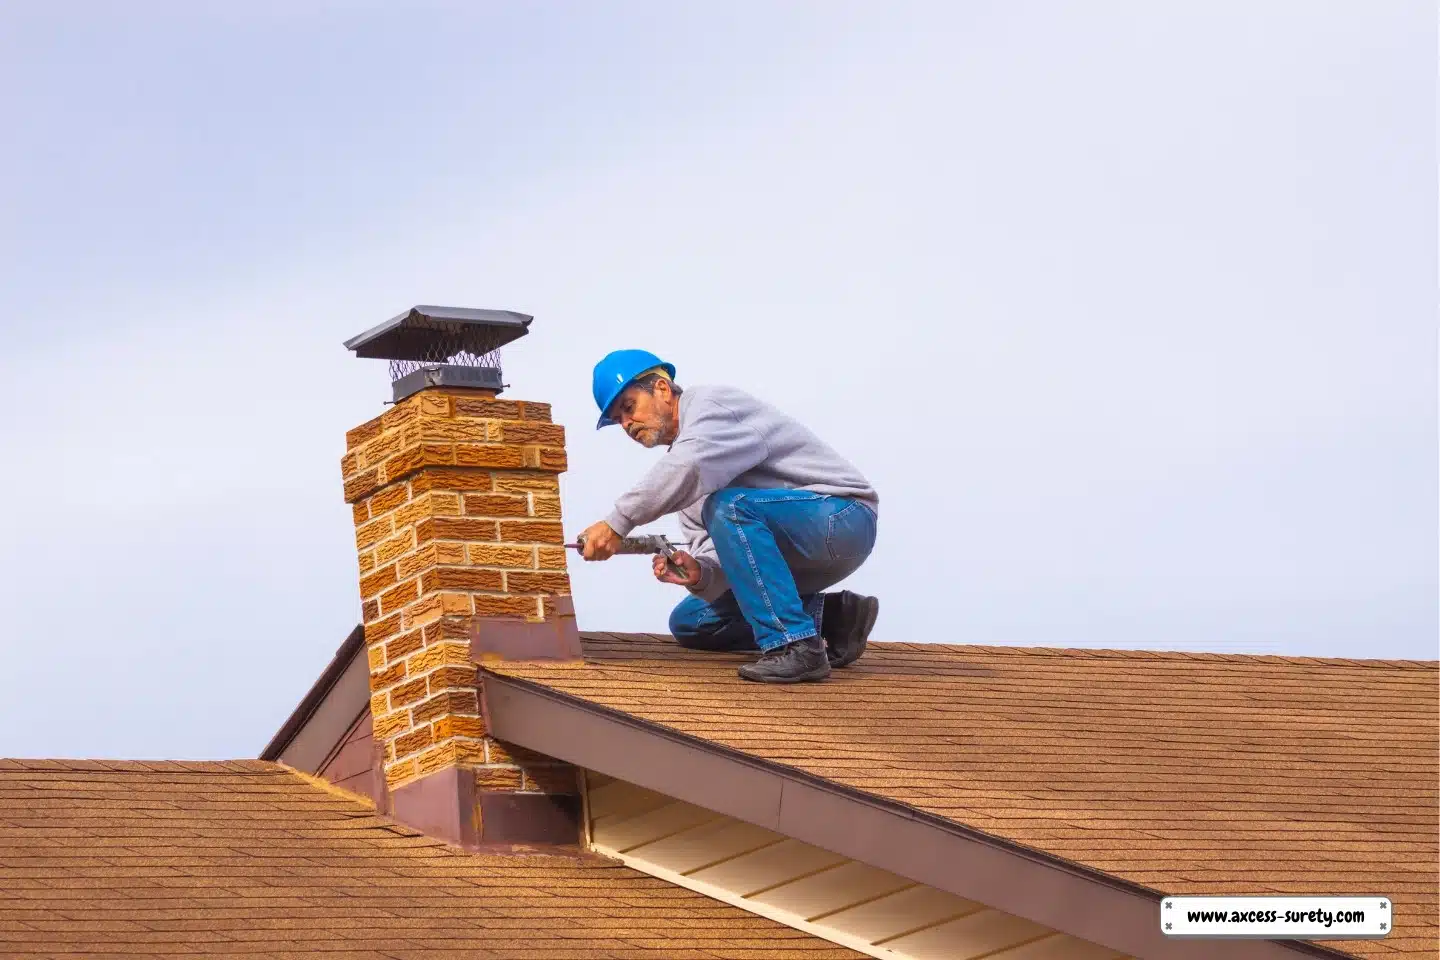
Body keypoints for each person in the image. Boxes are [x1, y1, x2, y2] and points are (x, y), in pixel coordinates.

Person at [575, 349, 880, 684]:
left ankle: (796, 646)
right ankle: (834, 617)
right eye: (618, 419)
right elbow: (724, 557)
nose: (626, 423)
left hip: (843, 518)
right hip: (795, 555)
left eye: (628, 407)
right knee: (693, 621)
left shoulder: (710, 406)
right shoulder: (688, 484)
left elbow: (690, 465)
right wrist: (700, 573)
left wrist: (617, 523)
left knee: (730, 507)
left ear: (661, 388)